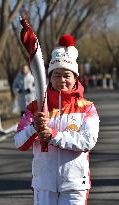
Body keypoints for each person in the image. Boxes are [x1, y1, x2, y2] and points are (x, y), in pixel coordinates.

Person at [14, 34, 99, 205]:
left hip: (75, 185)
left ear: (75, 77)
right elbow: (19, 142)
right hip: (44, 184)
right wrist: (33, 128)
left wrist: (54, 136)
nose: (61, 80)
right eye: (56, 75)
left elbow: (87, 141)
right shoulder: (35, 107)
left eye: (67, 75)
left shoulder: (86, 107)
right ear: (50, 77)